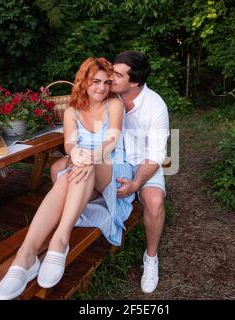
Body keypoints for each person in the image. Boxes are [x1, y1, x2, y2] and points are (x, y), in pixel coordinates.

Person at [0, 57, 135, 300]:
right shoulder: (72, 110)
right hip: (83, 168)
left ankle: (59, 239)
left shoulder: (114, 105)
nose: (101, 87)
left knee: (79, 168)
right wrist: (77, 153)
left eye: (106, 82)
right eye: (95, 81)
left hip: (112, 166)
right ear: (84, 81)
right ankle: (26, 255)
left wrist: (89, 156)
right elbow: (69, 143)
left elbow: (111, 140)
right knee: (68, 176)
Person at [51, 51, 170, 294]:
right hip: (106, 158)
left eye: (117, 75)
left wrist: (137, 182)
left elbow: (157, 154)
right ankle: (68, 230)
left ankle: (151, 257)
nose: (110, 79)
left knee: (155, 202)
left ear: (134, 81)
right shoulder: (106, 93)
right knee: (57, 169)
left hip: (141, 162)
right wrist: (75, 152)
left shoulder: (155, 107)